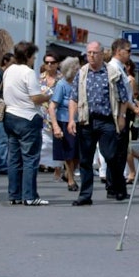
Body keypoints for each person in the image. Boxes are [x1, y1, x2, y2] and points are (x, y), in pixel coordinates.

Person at [68, 40, 131, 206]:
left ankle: (119, 187)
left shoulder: (112, 72)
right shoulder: (82, 73)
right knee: (85, 160)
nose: (91, 56)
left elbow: (123, 98)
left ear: (102, 54)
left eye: (94, 53)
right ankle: (85, 195)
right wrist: (71, 119)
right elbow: (73, 98)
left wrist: (122, 116)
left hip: (107, 121)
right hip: (86, 121)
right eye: (89, 53)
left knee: (111, 156)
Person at [3, 42, 53, 206]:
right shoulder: (28, 72)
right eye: (33, 56)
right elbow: (35, 98)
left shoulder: (9, 70)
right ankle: (30, 196)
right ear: (28, 56)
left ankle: (14, 195)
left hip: (10, 115)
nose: (34, 59)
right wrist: (47, 95)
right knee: (30, 158)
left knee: (14, 158)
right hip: (28, 117)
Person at [109, 38, 137, 190]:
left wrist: (134, 103)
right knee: (118, 152)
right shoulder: (114, 68)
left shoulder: (120, 68)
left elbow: (127, 95)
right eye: (128, 50)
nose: (130, 54)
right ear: (119, 51)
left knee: (120, 151)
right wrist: (128, 112)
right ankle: (115, 186)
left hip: (124, 112)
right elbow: (120, 96)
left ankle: (115, 185)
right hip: (120, 114)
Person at [49, 57, 80, 192]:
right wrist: (55, 125)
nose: (78, 70)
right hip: (65, 120)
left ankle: (68, 173)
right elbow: (52, 106)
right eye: (76, 68)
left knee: (78, 153)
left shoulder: (79, 82)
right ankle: (71, 180)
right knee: (69, 152)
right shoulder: (62, 84)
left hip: (80, 120)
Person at [38, 53, 62, 180]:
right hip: (42, 115)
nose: (49, 65)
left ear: (57, 64)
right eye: (47, 62)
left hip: (58, 114)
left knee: (57, 143)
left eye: (52, 62)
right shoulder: (40, 78)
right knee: (44, 143)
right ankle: (43, 164)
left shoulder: (62, 78)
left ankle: (58, 167)